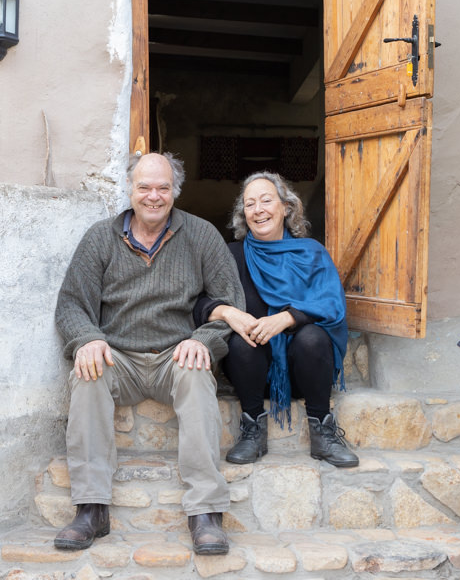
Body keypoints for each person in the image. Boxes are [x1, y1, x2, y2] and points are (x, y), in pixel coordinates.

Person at [53, 152, 245, 556]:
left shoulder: (201, 234)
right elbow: (71, 304)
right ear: (130, 189)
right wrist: (87, 337)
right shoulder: (100, 238)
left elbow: (230, 299)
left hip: (174, 356)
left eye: (162, 188)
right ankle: (91, 508)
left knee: (196, 376)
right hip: (116, 356)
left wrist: (204, 340)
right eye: (144, 187)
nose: (153, 196)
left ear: (174, 192)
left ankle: (205, 513)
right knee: (86, 377)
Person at [194, 171, 358, 468]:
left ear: (286, 207)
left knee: (312, 337)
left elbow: (331, 303)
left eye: (266, 200)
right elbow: (200, 301)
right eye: (250, 204)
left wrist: (286, 318)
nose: (258, 210)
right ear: (243, 214)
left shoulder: (312, 253)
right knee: (242, 341)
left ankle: (323, 431)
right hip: (252, 374)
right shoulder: (232, 255)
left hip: (304, 373)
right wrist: (228, 313)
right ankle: (252, 429)